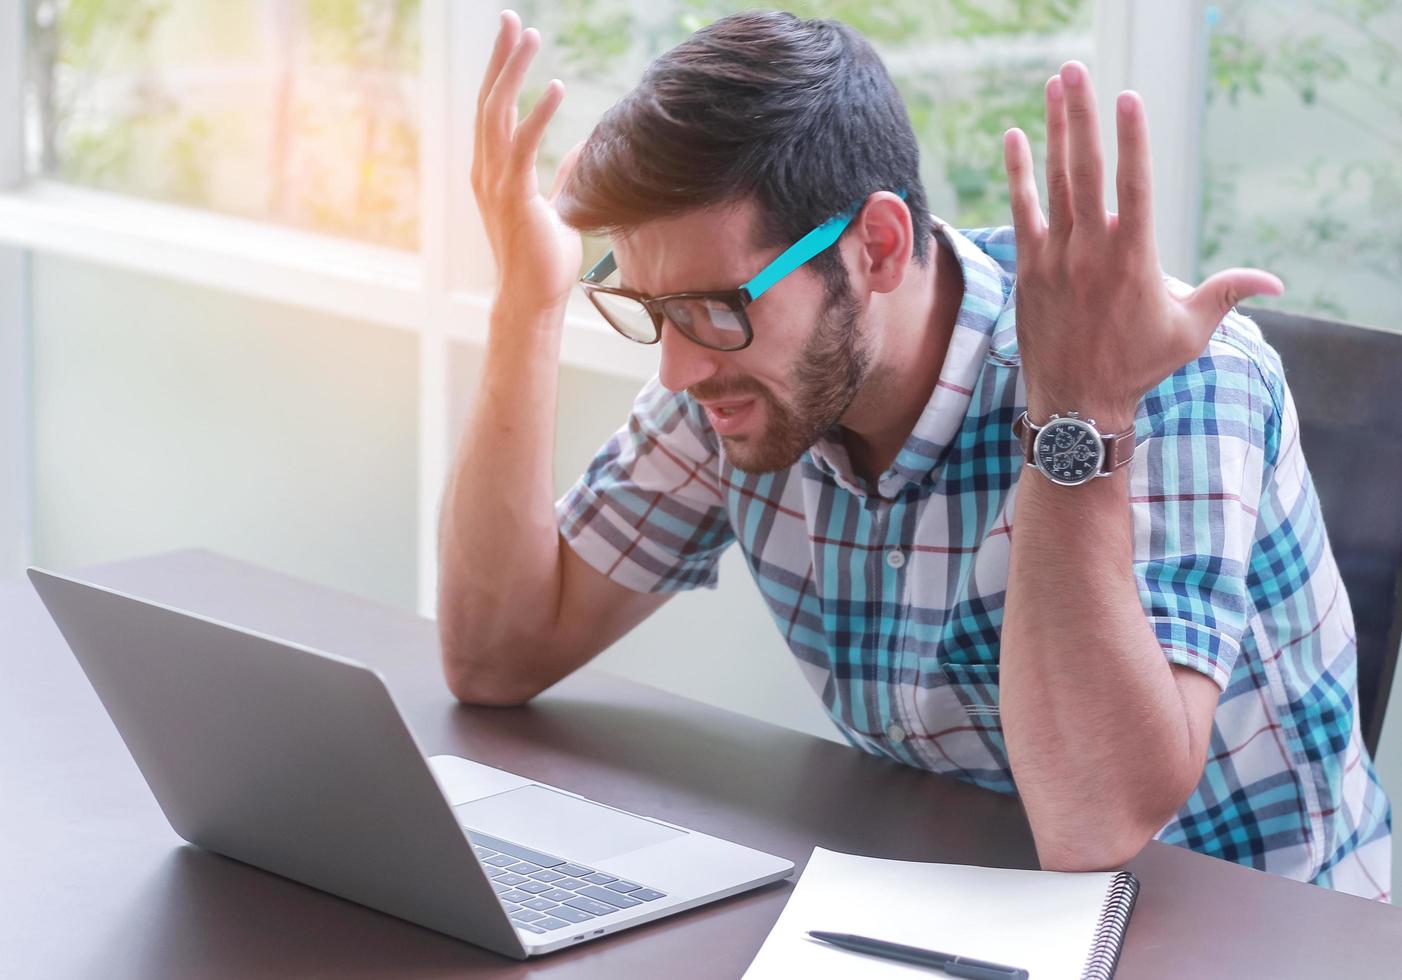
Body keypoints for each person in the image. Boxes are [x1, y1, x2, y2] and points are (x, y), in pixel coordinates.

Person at [437, 9, 1391, 900]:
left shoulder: (1161, 377)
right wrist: (527, 301)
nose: (680, 368)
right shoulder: (737, 376)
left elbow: (1094, 826)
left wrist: (1074, 409)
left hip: (1255, 929)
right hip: (956, 900)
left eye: (716, 309)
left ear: (878, 248)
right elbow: (495, 656)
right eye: (655, 313)